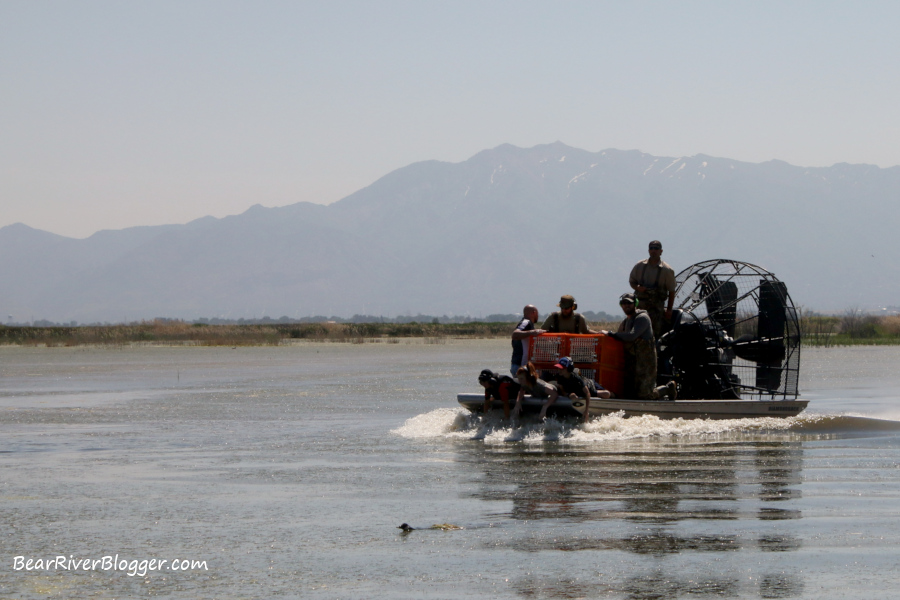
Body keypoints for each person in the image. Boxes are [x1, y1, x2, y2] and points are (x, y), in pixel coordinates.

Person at [601, 293, 676, 401]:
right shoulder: (626, 321)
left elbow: (631, 336)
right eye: (624, 303)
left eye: (629, 303)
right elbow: (619, 336)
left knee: (644, 395)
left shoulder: (642, 318)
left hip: (646, 362)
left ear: (635, 304)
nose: (626, 306)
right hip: (633, 362)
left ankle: (667, 389)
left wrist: (610, 334)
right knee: (630, 393)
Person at [629, 240, 676, 338]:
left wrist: (669, 310)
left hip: (657, 310)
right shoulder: (639, 265)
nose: (653, 251)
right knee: (635, 333)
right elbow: (632, 281)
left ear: (661, 251)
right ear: (648, 250)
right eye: (651, 248)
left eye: (656, 248)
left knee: (654, 335)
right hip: (640, 308)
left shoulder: (667, 270)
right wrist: (637, 287)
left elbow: (671, 290)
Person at [550, 356, 611, 423]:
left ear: (569, 369)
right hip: (576, 391)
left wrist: (586, 411)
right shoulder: (560, 376)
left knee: (607, 394)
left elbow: (587, 393)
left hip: (589, 385)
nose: (559, 370)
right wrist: (569, 394)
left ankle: (614, 394)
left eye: (562, 368)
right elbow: (562, 390)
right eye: (559, 368)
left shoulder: (577, 379)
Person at [511, 305, 546, 376]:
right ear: (534, 313)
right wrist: (532, 332)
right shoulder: (526, 322)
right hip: (520, 365)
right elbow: (515, 334)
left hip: (521, 365)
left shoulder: (529, 324)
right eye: (537, 313)